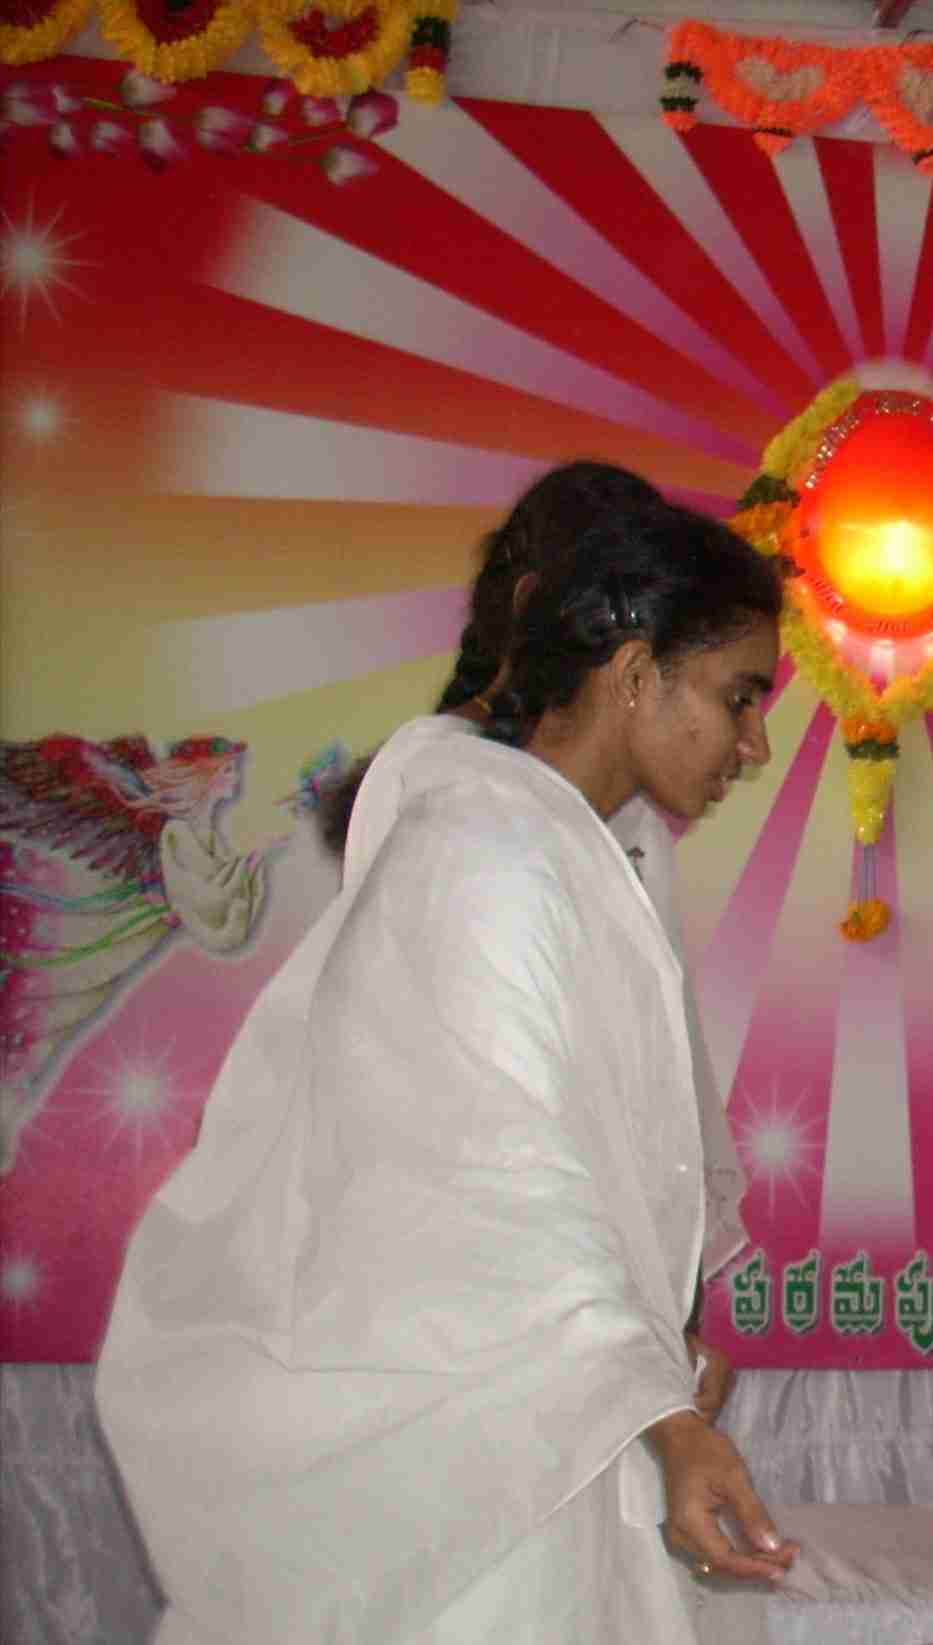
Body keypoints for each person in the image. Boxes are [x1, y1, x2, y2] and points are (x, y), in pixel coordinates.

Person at [86, 503, 799, 1645]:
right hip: (461, 1498)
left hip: (540, 1449)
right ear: (635, 671)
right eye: (738, 696)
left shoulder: (566, 851)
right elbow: (497, 1182)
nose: (754, 743)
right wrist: (661, 1413)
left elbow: (594, 1164)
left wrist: (659, 1356)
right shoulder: (484, 856)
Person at [326, 462, 748, 1421]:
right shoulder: (456, 803)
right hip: (467, 1336)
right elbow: (491, 1136)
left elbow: (648, 1100)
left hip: (577, 1328)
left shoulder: (617, 818)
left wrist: (662, 1331)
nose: (747, 741)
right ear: (542, 609)